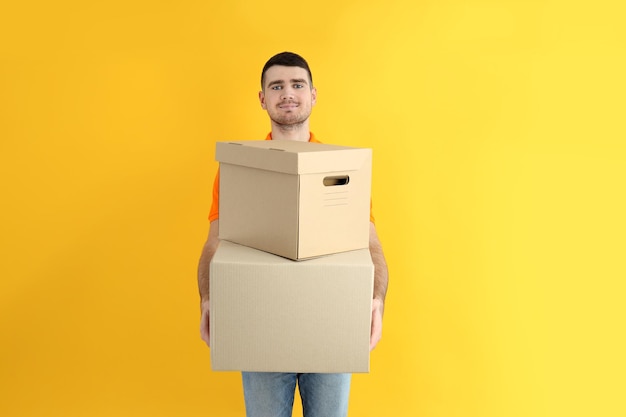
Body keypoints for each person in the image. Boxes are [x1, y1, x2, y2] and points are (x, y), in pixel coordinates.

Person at [197, 52, 389, 417]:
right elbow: (215, 242)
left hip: (330, 320)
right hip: (261, 322)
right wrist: (208, 297)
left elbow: (371, 244)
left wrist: (376, 299)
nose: (288, 93)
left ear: (313, 95)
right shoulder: (239, 168)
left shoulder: (342, 169)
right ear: (262, 98)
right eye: (277, 86)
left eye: (297, 85)